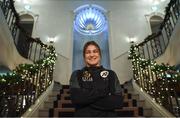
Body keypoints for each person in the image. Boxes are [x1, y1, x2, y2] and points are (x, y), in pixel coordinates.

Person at [69, 41, 123, 117]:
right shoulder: (77, 74)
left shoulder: (111, 74)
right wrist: (104, 93)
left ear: (100, 55)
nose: (91, 55)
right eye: (88, 52)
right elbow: (77, 99)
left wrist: (86, 96)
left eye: (95, 51)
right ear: (84, 56)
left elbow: (118, 102)